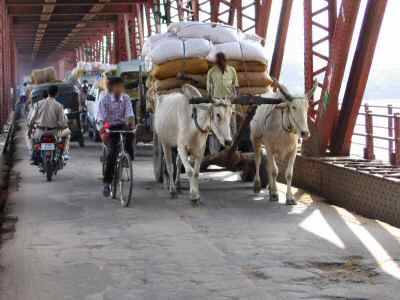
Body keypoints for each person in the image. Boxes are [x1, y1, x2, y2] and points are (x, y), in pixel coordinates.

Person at [97, 77, 135, 197]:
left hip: (122, 125)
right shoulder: (104, 100)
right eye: (118, 86)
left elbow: (130, 114)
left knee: (130, 135)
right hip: (109, 127)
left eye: (121, 86)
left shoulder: (126, 98)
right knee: (112, 153)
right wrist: (103, 129)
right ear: (112, 87)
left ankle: (127, 158)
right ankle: (107, 183)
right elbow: (101, 118)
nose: (120, 88)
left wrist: (131, 124)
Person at [28, 85, 71, 162]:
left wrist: (29, 130)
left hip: (39, 132)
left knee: (30, 137)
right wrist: (65, 126)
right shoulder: (59, 105)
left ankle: (33, 154)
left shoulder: (38, 104)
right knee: (68, 133)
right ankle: (65, 153)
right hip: (54, 132)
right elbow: (62, 122)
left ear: (47, 93)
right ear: (57, 94)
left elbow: (32, 119)